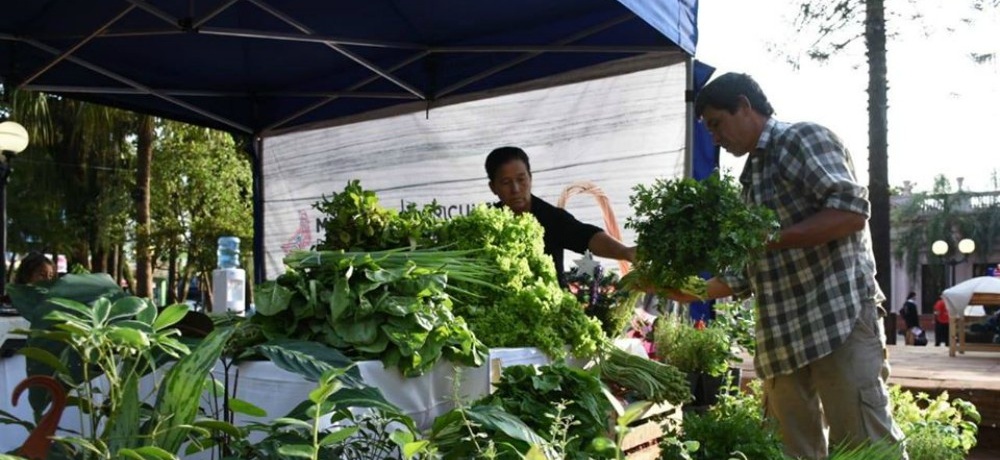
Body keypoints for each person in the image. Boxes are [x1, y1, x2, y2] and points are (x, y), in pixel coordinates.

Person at [667, 73, 906, 458]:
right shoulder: (750, 179)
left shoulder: (800, 139)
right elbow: (748, 272)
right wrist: (690, 290)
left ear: (744, 106)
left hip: (836, 318)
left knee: (865, 445)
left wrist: (771, 237)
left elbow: (850, 212)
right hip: (782, 335)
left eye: (717, 124)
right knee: (795, 452)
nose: (715, 138)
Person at [485, 146, 636, 287]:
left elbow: (585, 235)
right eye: (506, 182)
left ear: (530, 178)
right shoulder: (484, 223)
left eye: (521, 179)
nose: (515, 189)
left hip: (548, 308)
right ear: (493, 187)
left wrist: (625, 252)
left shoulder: (550, 217)